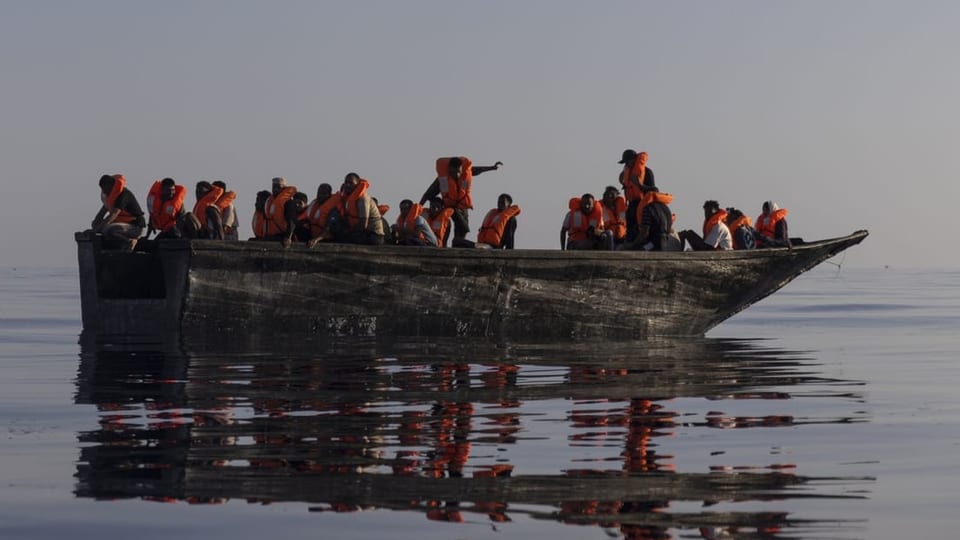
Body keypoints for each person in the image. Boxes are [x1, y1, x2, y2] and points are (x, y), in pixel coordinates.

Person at [419, 156, 503, 248]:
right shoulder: (442, 179)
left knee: (462, 232)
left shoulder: (465, 173)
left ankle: (457, 245)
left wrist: (492, 167)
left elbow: (476, 170)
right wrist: (418, 208)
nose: (457, 175)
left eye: (459, 172)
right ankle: (445, 245)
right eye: (453, 172)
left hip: (463, 207)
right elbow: (428, 194)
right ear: (449, 170)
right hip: (450, 207)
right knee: (461, 227)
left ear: (461, 169)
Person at [90, 174, 146, 250]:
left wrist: (98, 229)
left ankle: (129, 241)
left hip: (136, 227)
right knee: (95, 224)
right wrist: (94, 227)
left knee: (109, 229)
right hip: (123, 225)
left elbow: (114, 214)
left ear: (110, 185)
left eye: (104, 188)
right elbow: (101, 213)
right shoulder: (110, 197)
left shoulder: (123, 194)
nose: (103, 191)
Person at [618, 150, 656, 243]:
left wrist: (640, 185)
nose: (627, 164)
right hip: (632, 205)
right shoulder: (627, 173)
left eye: (628, 161)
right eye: (625, 162)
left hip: (644, 205)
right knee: (630, 226)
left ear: (634, 159)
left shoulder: (647, 172)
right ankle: (629, 244)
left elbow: (654, 190)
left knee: (641, 227)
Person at [341, 173, 385, 245]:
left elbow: (363, 224)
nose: (347, 185)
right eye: (346, 182)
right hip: (364, 233)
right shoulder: (349, 199)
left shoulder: (362, 199)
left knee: (344, 238)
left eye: (351, 183)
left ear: (357, 185)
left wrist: (349, 231)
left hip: (374, 236)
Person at [303, 183, 343, 248]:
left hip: (327, 239)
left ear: (329, 195)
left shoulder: (333, 209)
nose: (320, 196)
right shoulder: (314, 205)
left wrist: (316, 240)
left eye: (324, 194)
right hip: (314, 236)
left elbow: (328, 228)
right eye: (319, 193)